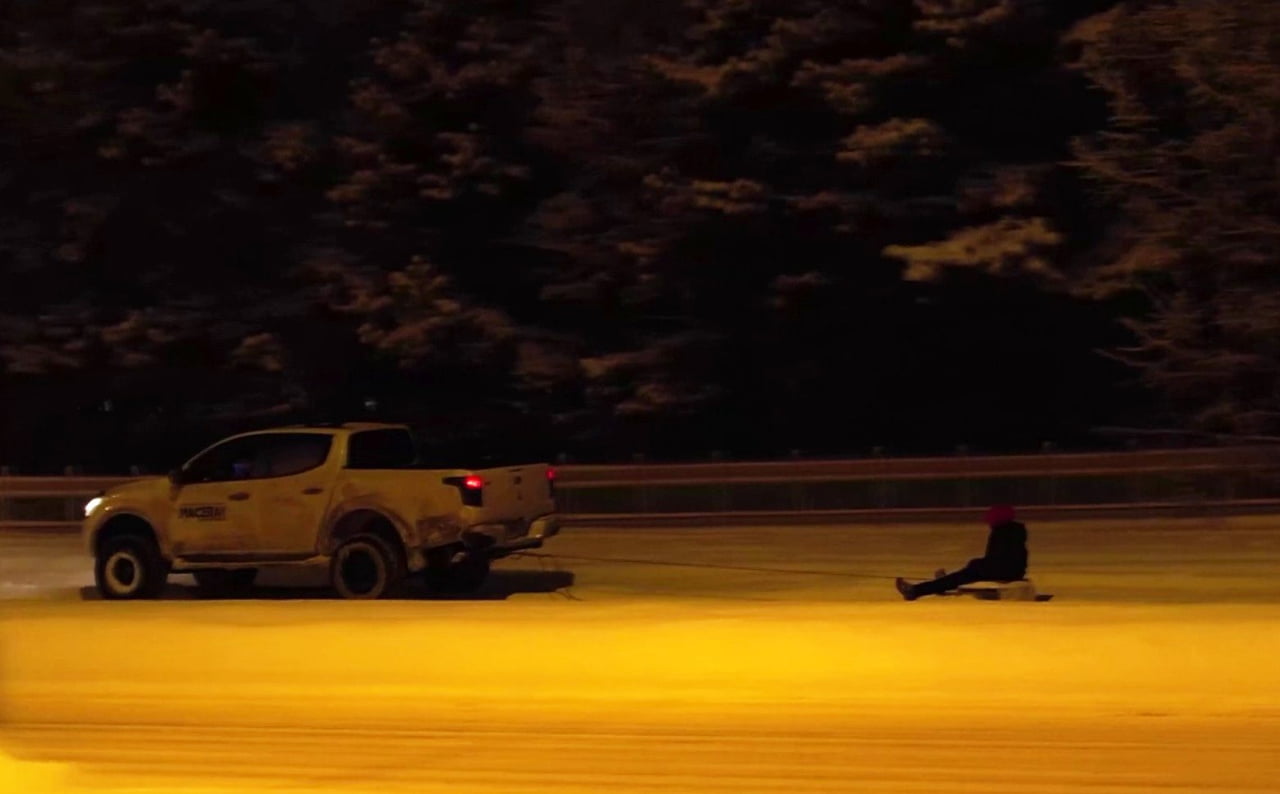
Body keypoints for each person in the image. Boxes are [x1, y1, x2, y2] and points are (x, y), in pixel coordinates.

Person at [895, 505, 1028, 601]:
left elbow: (998, 559)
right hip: (1009, 571)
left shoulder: (1002, 532)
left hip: (1003, 572)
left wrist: (978, 565)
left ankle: (916, 591)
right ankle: (941, 584)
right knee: (965, 572)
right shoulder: (1012, 531)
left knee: (961, 576)